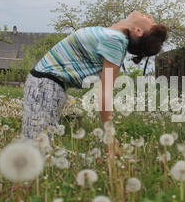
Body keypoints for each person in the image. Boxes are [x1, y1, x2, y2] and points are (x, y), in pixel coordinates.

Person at [22, 11, 168, 139]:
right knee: (39, 144)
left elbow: (106, 92)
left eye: (151, 22)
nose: (149, 16)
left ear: (138, 31)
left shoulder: (115, 42)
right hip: (46, 85)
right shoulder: (111, 34)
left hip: (45, 86)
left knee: (35, 146)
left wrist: (109, 136)